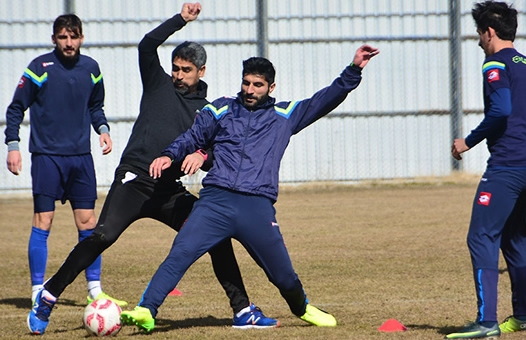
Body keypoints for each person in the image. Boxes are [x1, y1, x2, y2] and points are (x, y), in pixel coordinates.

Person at [26, 3, 278, 335]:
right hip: (135, 180)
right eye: (175, 68)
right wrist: (180, 20)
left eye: (185, 70)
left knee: (215, 237)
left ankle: (243, 310)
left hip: (169, 190)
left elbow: (218, 151)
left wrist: (203, 155)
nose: (178, 75)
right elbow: (147, 44)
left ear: (201, 71)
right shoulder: (158, 84)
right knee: (101, 236)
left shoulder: (209, 109)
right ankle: (47, 297)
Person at [119, 42, 379, 332]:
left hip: (256, 207)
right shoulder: (221, 108)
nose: (250, 89)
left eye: (258, 85)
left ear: (271, 86)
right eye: (246, 82)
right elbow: (192, 137)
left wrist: (354, 69)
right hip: (215, 202)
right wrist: (169, 155)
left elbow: (326, 98)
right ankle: (146, 309)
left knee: (283, 276)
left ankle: (302, 307)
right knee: (180, 253)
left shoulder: (285, 115)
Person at [445, 1, 526, 338]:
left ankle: (487, 322)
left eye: (479, 34)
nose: (478, 41)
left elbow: (501, 110)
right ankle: (523, 316)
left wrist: (467, 142)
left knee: (481, 236)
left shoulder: (495, 63)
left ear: (489, 32)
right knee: (515, 236)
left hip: (508, 165)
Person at [4, 14, 124, 311]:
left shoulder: (92, 69)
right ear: (54, 39)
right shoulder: (39, 68)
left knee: (89, 225)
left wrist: (104, 131)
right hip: (47, 158)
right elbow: (16, 108)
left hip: (80, 159)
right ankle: (36, 289)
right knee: (43, 222)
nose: (68, 43)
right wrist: (13, 146)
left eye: (73, 37)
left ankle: (95, 290)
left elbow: (96, 107)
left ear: (81, 38)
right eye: (62, 37)